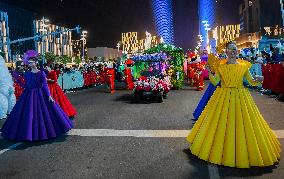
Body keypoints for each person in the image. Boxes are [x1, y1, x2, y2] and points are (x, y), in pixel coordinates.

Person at [187, 41, 280, 168]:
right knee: (221, 126)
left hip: (241, 98)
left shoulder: (244, 66)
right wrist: (209, 72)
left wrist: (258, 80)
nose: (232, 51)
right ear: (226, 52)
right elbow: (215, 82)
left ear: (237, 51)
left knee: (244, 126)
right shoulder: (221, 66)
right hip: (223, 98)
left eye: (234, 49)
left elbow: (251, 82)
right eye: (230, 49)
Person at [1, 56, 73, 141]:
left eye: (32, 62)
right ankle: (28, 134)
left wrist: (49, 95)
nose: (30, 64)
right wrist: (18, 81)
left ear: (36, 63)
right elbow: (26, 86)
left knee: (42, 114)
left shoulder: (41, 73)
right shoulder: (27, 73)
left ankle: (42, 133)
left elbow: (45, 85)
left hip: (40, 94)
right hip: (28, 95)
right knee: (28, 115)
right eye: (29, 62)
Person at [0, 55, 16, 120]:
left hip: (5, 88)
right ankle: (8, 111)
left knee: (4, 98)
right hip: (8, 87)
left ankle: (3, 113)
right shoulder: (4, 70)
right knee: (9, 97)